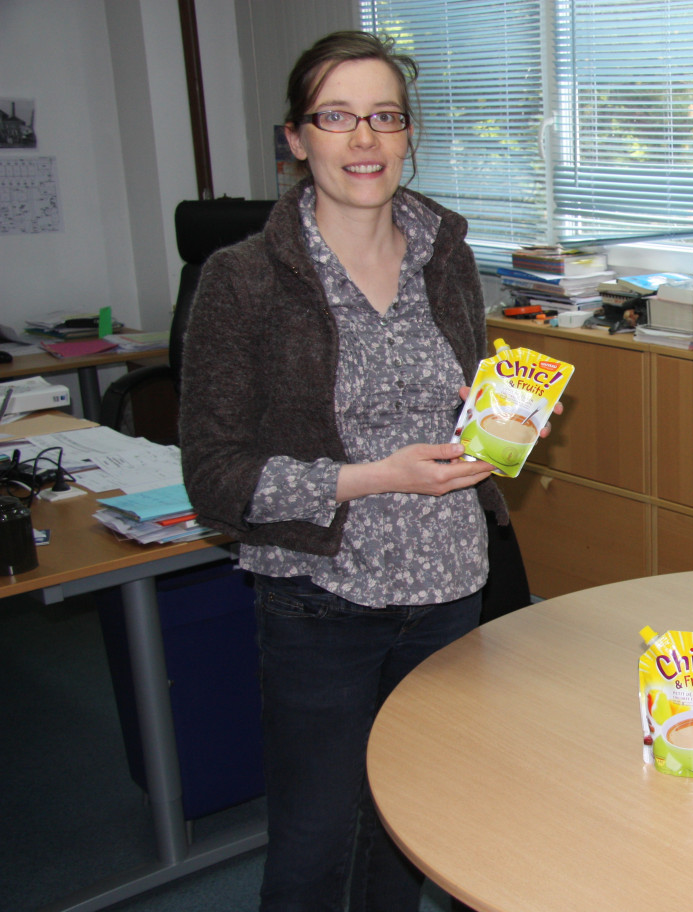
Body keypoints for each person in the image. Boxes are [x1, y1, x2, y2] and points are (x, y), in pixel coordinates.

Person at [179, 30, 545, 912]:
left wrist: (503, 419)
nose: (364, 139)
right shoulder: (243, 281)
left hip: (451, 591)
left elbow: (457, 400)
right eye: (337, 117)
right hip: (319, 599)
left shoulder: (445, 255)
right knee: (313, 844)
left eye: (384, 116)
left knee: (411, 829)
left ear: (409, 133)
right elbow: (216, 478)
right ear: (297, 139)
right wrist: (372, 476)